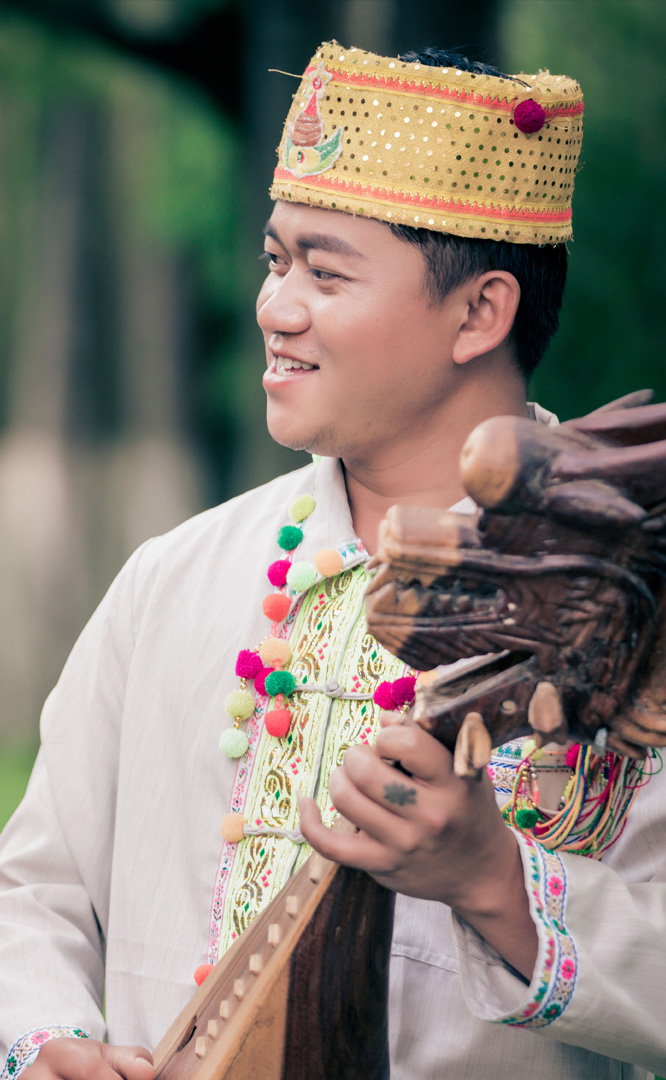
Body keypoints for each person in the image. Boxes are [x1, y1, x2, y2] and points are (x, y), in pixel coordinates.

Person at [1, 40, 665, 1080]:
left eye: (325, 271)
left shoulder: (627, 599)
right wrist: (46, 1042)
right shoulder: (173, 580)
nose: (275, 307)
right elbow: (33, 891)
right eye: (276, 262)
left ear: (480, 312)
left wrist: (496, 880)